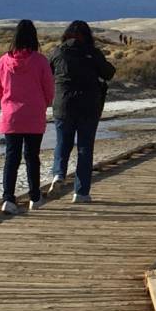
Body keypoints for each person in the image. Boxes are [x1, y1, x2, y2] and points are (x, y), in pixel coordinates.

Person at [48, 19, 114, 202]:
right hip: (88, 107)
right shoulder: (92, 53)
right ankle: (81, 192)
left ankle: (58, 174)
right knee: (85, 148)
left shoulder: (58, 51)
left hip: (63, 105)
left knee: (63, 143)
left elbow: (48, 72)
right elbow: (109, 73)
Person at [0, 18, 54, 214]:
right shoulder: (40, 61)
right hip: (34, 115)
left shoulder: (3, 61)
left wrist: (9, 101)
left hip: (11, 116)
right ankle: (34, 197)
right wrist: (41, 103)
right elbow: (49, 91)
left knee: (11, 158)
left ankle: (8, 199)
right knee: (32, 157)